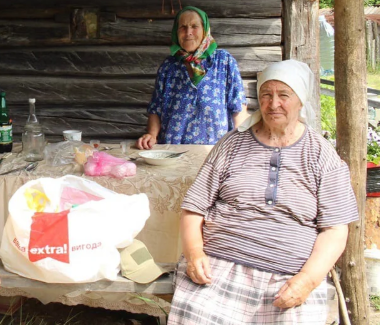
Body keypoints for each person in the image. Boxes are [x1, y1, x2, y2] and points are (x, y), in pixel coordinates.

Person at [167, 59, 359, 324]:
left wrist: (307, 281)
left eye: (283, 95)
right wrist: (195, 253)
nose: (273, 103)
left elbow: (336, 230)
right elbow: (194, 208)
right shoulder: (232, 143)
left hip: (289, 276)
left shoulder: (321, 155)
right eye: (266, 95)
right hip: (219, 266)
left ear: (300, 100)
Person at [136, 6, 248, 149]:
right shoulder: (168, 66)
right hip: (172, 150)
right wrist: (151, 134)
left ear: (205, 30)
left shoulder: (224, 62)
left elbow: (238, 107)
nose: (188, 32)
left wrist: (241, 142)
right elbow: (156, 108)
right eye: (183, 27)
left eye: (194, 26)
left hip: (214, 152)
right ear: (176, 33)